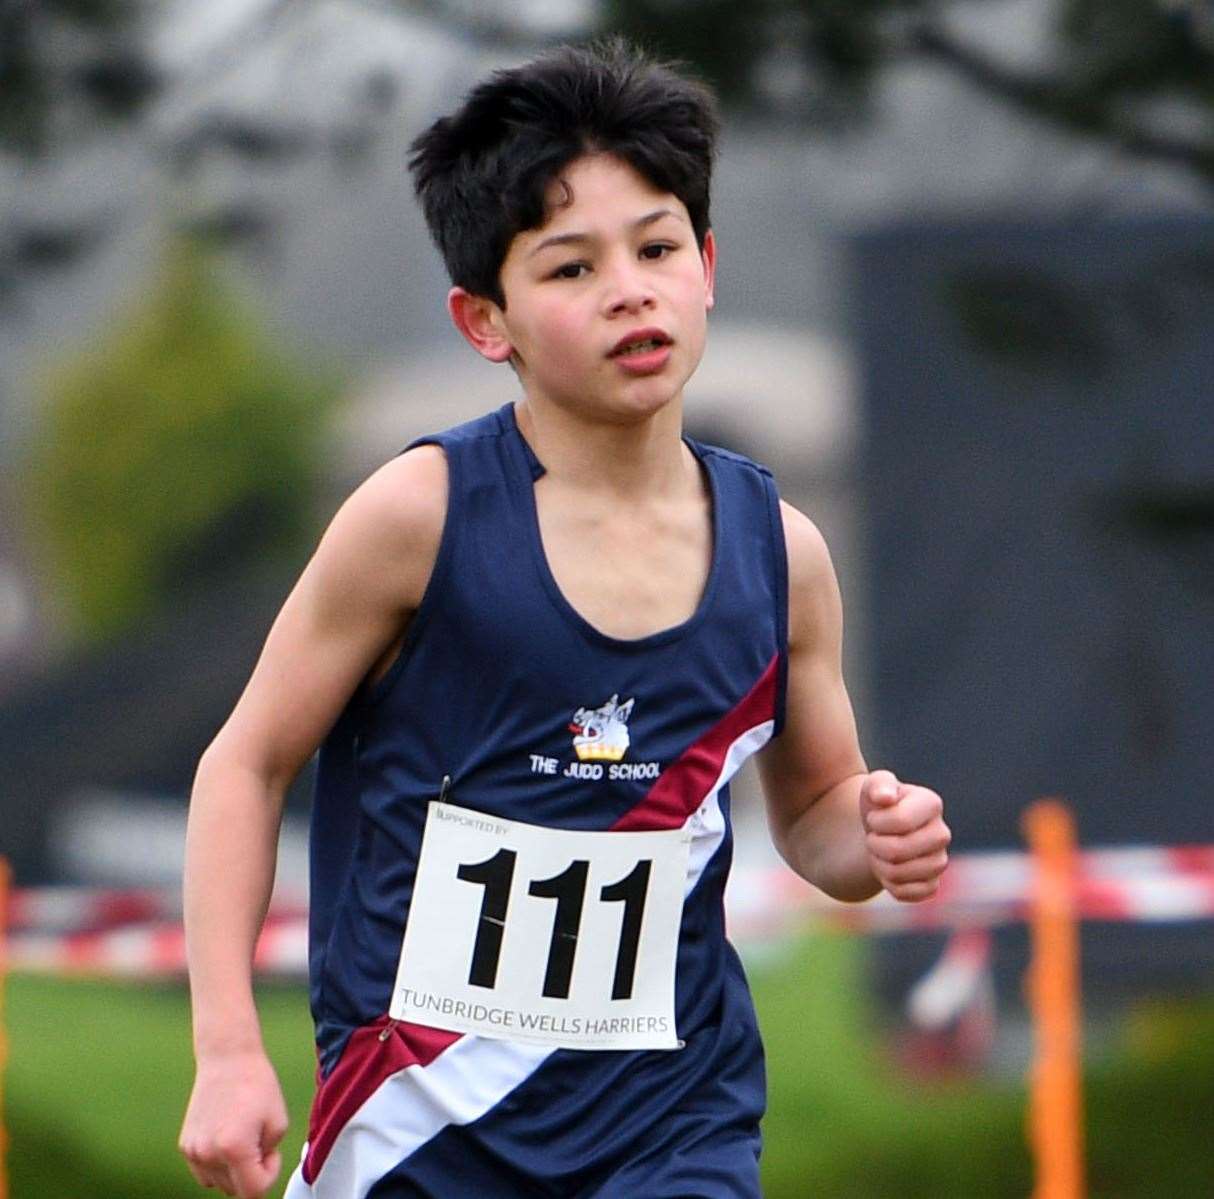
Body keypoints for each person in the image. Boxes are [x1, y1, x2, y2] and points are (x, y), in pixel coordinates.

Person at [179, 37, 950, 1199]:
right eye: (570, 268)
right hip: (419, 1124)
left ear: (706, 265)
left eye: (655, 247)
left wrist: (875, 832)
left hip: (671, 1128)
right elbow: (245, 762)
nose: (629, 288)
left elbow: (813, 819)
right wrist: (228, 1047)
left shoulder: (779, 554)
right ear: (484, 319)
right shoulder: (414, 519)